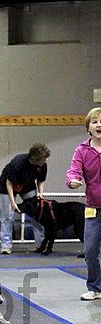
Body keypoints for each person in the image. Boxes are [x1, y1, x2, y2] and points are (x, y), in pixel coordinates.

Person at [66, 107, 101, 301]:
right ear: (88, 127)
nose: (99, 125)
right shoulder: (81, 150)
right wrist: (73, 181)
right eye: (95, 121)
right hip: (93, 208)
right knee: (90, 250)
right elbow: (73, 171)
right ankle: (95, 288)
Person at [0, 143, 51, 254]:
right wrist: (13, 202)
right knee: (8, 215)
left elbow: (41, 180)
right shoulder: (18, 162)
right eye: (42, 160)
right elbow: (9, 183)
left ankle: (40, 244)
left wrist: (40, 194)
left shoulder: (42, 165)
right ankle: (6, 246)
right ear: (34, 159)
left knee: (36, 213)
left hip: (27, 185)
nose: (44, 162)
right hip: (8, 185)